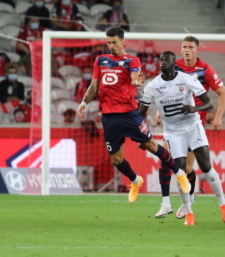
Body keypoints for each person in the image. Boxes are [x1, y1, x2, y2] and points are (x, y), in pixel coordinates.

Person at [76, 27, 191, 204]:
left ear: (123, 42)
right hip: (108, 116)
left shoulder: (132, 60)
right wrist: (84, 103)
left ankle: (179, 173)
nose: (111, 45)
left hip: (129, 114)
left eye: (114, 42)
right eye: (108, 42)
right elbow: (94, 86)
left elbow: (135, 78)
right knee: (115, 159)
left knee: (151, 146)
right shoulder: (100, 60)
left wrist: (137, 81)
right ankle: (135, 181)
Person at [139, 51, 225, 225]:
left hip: (192, 126)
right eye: (161, 60)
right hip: (172, 131)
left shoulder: (187, 79)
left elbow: (209, 103)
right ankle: (189, 212)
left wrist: (192, 109)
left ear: (175, 64)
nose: (163, 62)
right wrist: (141, 134)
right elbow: (140, 114)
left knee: (205, 166)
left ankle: (223, 204)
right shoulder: (152, 85)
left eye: (167, 60)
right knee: (179, 171)